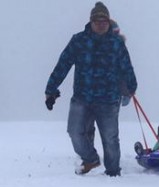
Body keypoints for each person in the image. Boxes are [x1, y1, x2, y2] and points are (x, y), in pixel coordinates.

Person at [45, 2, 137, 177]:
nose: (101, 23)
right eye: (97, 20)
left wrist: (130, 89)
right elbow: (63, 64)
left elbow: (127, 68)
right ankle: (90, 158)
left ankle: (112, 172)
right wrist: (51, 89)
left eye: (104, 20)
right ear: (91, 22)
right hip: (82, 97)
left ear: (109, 22)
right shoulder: (79, 40)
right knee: (74, 132)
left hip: (109, 99)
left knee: (110, 138)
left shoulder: (116, 43)